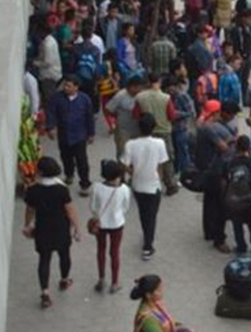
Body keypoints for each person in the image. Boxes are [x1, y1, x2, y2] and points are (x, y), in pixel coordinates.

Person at [23, 156, 80, 308]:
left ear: (40, 172)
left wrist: (27, 225)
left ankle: (45, 292)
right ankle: (64, 279)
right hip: (61, 227)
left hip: (43, 228)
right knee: (64, 255)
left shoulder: (33, 190)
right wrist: (76, 227)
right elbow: (69, 210)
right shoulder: (61, 189)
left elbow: (30, 210)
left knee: (44, 259)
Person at [122, 113, 170, 260]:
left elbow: (124, 164)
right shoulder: (160, 143)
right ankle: (148, 246)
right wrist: (160, 180)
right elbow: (162, 165)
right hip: (153, 185)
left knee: (144, 213)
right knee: (152, 215)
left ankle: (147, 237)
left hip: (137, 185)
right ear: (154, 127)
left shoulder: (130, 144)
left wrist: (134, 172)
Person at [197, 100, 240, 254]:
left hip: (207, 169)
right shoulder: (212, 128)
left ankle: (209, 231)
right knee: (220, 205)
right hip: (216, 172)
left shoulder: (203, 125)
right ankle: (218, 239)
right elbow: (224, 148)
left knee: (209, 202)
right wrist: (232, 140)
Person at [46, 75, 95, 196]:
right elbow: (51, 113)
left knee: (81, 161)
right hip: (64, 134)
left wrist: (91, 133)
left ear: (76, 87)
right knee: (66, 157)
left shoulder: (85, 99)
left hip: (79, 135)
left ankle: (84, 183)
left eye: (69, 86)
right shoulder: (57, 98)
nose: (66, 88)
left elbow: (89, 117)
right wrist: (51, 127)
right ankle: (69, 174)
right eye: (65, 85)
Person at [90, 159, 132, 293]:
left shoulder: (97, 187)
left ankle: (101, 278)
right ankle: (115, 282)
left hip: (100, 224)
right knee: (115, 252)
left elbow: (92, 206)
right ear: (118, 175)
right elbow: (126, 207)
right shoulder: (124, 189)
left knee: (101, 250)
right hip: (117, 224)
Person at [135, 72, 179, 194]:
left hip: (147, 132)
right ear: (158, 82)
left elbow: (136, 115)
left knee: (148, 159)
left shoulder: (140, 97)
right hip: (164, 131)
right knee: (167, 160)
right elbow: (172, 115)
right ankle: (170, 185)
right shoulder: (166, 98)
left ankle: (148, 184)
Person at [224, 135, 251, 255]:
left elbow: (226, 179)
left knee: (237, 225)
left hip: (234, 199)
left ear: (236, 147)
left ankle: (241, 247)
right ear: (249, 147)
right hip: (249, 199)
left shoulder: (231, 162)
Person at [170, 78, 196, 176]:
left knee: (182, 151)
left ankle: (186, 173)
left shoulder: (182, 96)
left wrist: (176, 114)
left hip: (182, 128)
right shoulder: (170, 96)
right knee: (176, 151)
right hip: (173, 128)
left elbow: (191, 112)